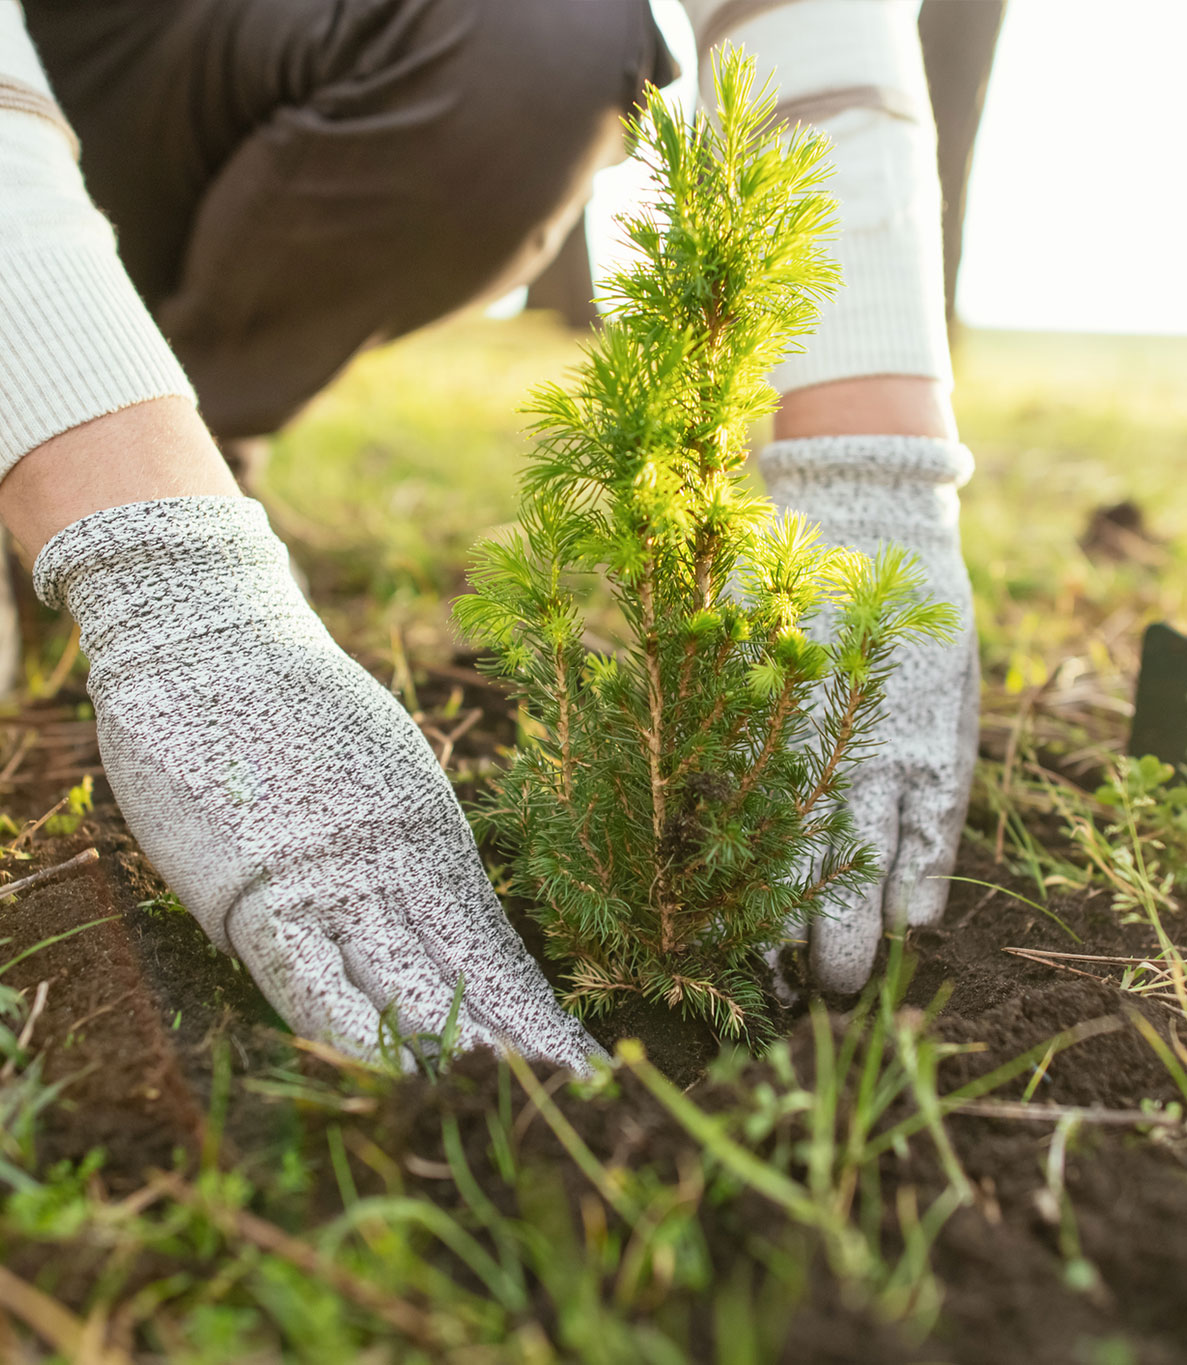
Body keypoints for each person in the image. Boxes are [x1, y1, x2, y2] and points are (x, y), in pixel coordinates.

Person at [0, 0, 977, 1067]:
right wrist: (166, 576)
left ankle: (159, 419)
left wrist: (873, 475)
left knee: (544, 34)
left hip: (239, 63)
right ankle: (76, 455)